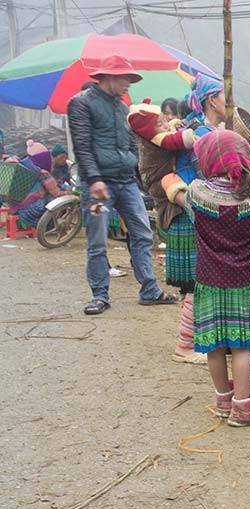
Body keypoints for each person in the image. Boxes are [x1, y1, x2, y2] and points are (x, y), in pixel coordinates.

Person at [173, 129, 250, 425]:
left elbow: (194, 217)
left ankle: (222, 402)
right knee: (241, 345)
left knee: (214, 345)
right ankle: (244, 409)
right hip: (240, 282)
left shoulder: (196, 191)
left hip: (207, 281)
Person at [67, 55, 177, 315]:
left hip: (126, 182)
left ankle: (149, 290)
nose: (129, 83)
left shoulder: (121, 105)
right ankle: (99, 295)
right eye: (125, 78)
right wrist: (93, 180)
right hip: (98, 186)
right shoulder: (81, 104)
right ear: (107, 76)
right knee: (97, 240)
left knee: (142, 233)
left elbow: (129, 142)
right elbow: (82, 146)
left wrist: (134, 170)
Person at [127, 99, 204, 364]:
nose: (165, 122)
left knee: (195, 287)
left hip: (173, 204)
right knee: (194, 286)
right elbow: (180, 140)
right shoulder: (158, 140)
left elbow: (168, 129)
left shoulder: (155, 133)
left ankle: (195, 341)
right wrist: (203, 134)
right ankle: (185, 346)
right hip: (173, 206)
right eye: (160, 120)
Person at [8, 141, 71, 228]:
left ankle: (22, 222)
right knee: (54, 200)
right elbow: (56, 193)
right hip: (32, 210)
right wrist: (69, 193)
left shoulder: (22, 166)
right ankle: (42, 226)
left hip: (14, 208)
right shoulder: (43, 173)